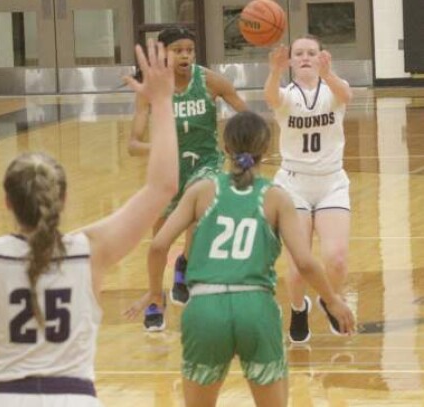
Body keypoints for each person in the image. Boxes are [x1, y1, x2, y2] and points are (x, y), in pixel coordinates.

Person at [0, 40, 178, 407]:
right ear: (64, 200)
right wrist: (162, 103)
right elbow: (162, 186)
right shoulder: (91, 250)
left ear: (7, 202)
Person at [125, 110, 355, 407]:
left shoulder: (202, 191)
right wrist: (332, 300)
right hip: (255, 308)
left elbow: (157, 246)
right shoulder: (276, 197)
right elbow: (305, 262)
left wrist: (156, 293)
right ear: (266, 150)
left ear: (225, 149)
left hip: (205, 308)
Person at [128, 26, 247, 331]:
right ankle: (157, 297)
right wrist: (161, 146)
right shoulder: (153, 89)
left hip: (205, 164)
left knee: (198, 206)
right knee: (158, 244)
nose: (185, 55)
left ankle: (187, 261)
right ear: (164, 53)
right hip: (166, 172)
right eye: (177, 50)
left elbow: (247, 116)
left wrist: (242, 145)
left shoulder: (210, 81)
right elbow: (133, 144)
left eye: (189, 50)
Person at [263, 35, 353, 343]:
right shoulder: (287, 94)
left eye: (311, 53)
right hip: (293, 184)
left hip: (331, 182)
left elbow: (347, 95)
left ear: (321, 57)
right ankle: (298, 308)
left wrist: (329, 74)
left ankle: (331, 300)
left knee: (336, 259)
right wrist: (274, 71)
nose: (304, 57)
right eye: (298, 53)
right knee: (299, 266)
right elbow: (271, 98)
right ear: (290, 60)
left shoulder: (332, 90)